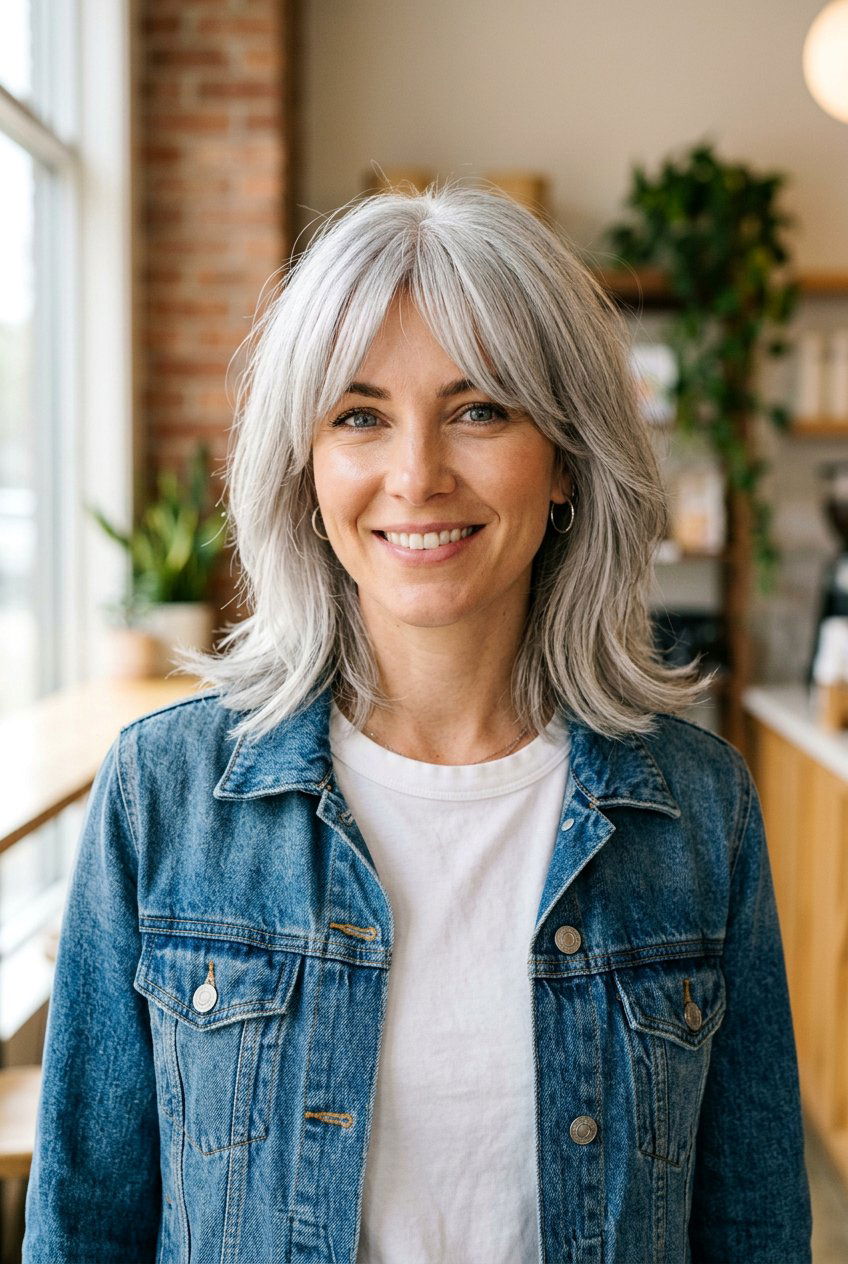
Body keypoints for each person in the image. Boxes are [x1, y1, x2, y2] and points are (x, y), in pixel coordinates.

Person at [23, 183, 812, 1264]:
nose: (415, 475)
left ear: (567, 460)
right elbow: (85, 1226)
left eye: (478, 408)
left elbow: (752, 1223)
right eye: (358, 416)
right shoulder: (165, 793)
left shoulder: (696, 808)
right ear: (303, 471)